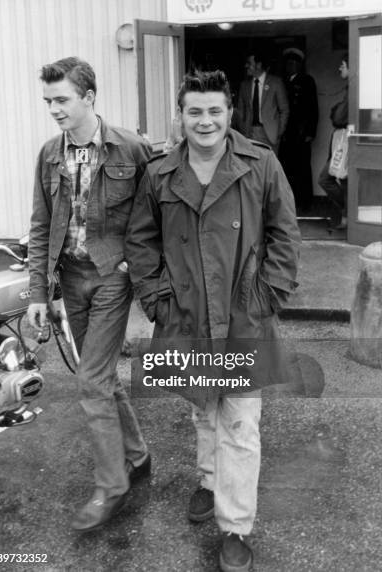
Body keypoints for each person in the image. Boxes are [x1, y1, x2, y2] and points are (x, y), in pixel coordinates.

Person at [125, 70, 300, 571]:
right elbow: (141, 241)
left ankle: (236, 525)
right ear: (180, 116)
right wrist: (158, 298)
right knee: (203, 409)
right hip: (186, 316)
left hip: (244, 313)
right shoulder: (159, 174)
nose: (205, 121)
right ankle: (208, 478)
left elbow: (285, 234)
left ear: (229, 114)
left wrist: (267, 295)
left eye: (215, 111)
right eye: (195, 111)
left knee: (241, 424)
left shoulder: (260, 163)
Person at [27, 57, 151, 531]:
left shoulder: (131, 149)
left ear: (89, 98)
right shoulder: (49, 154)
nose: (54, 109)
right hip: (71, 277)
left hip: (112, 278)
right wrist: (39, 293)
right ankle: (137, 456)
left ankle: (112, 486)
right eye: (49, 101)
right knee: (97, 375)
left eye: (62, 100)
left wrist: (133, 263)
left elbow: (153, 217)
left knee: (89, 381)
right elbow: (41, 225)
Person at [279, 48, 318, 211]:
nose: (290, 66)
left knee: (303, 167)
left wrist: (310, 132)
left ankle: (305, 202)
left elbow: (313, 108)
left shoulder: (307, 81)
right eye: (288, 63)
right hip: (286, 132)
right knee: (287, 167)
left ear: (299, 65)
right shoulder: (282, 82)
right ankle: (290, 203)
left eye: (293, 63)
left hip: (301, 133)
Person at [318, 55, 349, 229]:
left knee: (331, 179)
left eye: (343, 65)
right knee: (337, 180)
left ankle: (347, 213)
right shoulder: (350, 87)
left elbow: (338, 116)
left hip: (347, 143)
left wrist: (336, 110)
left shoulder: (353, 88)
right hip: (342, 141)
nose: (340, 68)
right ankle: (347, 212)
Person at [237, 51, 289, 153]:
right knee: (251, 166)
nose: (246, 65)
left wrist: (279, 131)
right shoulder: (244, 85)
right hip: (249, 133)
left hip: (270, 134)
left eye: (249, 63)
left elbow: (284, 109)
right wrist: (243, 129)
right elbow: (240, 110)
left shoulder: (276, 82)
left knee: (270, 167)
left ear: (259, 65)